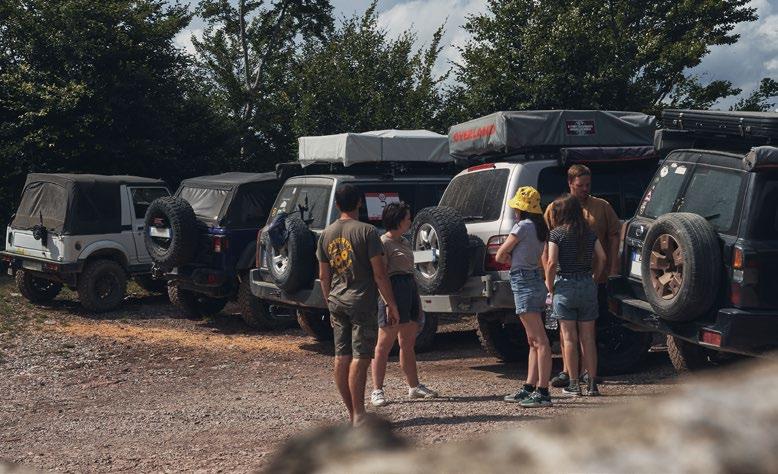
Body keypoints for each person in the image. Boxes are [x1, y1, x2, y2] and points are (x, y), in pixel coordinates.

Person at [317, 184, 400, 427]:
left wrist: (329, 303)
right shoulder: (368, 231)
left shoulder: (326, 234)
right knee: (360, 357)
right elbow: (380, 274)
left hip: (336, 300)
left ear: (336, 205)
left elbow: (323, 276)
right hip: (361, 301)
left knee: (341, 357)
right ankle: (360, 415)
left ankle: (353, 414)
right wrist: (391, 303)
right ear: (359, 203)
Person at [544, 164, 620, 389]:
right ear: (570, 184)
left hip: (588, 280)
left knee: (577, 332)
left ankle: (582, 377)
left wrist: (609, 271)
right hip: (582, 280)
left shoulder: (601, 206)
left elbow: (614, 235)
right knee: (573, 332)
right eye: (580, 185)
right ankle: (570, 373)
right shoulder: (555, 208)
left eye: (588, 184)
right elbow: (545, 244)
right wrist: (548, 278)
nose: (585, 189)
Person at [370, 202, 439, 407]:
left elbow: (411, 271)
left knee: (407, 344)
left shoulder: (405, 241)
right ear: (398, 220)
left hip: (409, 290)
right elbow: (380, 276)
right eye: (408, 218)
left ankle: (414, 386)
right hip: (393, 292)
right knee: (383, 345)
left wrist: (417, 301)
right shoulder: (383, 243)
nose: (410, 221)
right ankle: (377, 390)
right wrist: (389, 304)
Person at [495, 187, 552, 407]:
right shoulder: (540, 228)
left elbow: (501, 254)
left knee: (539, 340)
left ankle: (543, 391)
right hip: (535, 280)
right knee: (533, 340)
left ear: (521, 208)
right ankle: (530, 386)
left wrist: (511, 259)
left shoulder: (522, 226)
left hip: (523, 281)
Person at [546, 194, 606, 396]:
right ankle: (592, 383)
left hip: (565, 285)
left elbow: (552, 262)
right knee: (588, 338)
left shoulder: (556, 234)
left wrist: (549, 285)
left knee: (569, 338)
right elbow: (602, 257)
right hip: (587, 283)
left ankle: (573, 384)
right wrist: (595, 277)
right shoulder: (589, 232)